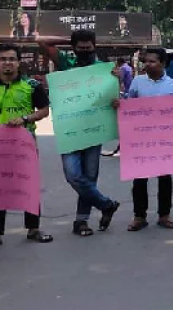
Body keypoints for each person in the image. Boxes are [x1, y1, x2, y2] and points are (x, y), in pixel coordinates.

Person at [38, 31, 121, 237]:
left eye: (88, 46)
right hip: (70, 131)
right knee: (73, 175)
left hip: (94, 130)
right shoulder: (66, 62)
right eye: (80, 47)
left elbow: (115, 98)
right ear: (74, 48)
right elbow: (41, 41)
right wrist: (71, 40)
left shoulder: (104, 69)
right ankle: (106, 204)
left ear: (95, 46)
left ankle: (81, 222)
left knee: (89, 178)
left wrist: (117, 87)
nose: (85, 50)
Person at [0, 43, 53, 252]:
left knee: (28, 185)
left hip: (25, 145)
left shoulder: (31, 86)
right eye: (3, 59)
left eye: (11, 59)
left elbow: (45, 110)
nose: (7, 63)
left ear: (19, 62)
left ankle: (33, 228)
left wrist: (26, 118)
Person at [119, 48, 173, 231]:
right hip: (141, 139)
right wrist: (121, 105)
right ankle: (139, 216)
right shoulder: (138, 82)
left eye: (152, 61)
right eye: (146, 61)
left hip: (164, 139)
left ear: (163, 63)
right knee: (139, 179)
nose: (147, 64)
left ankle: (164, 215)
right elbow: (130, 106)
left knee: (165, 178)